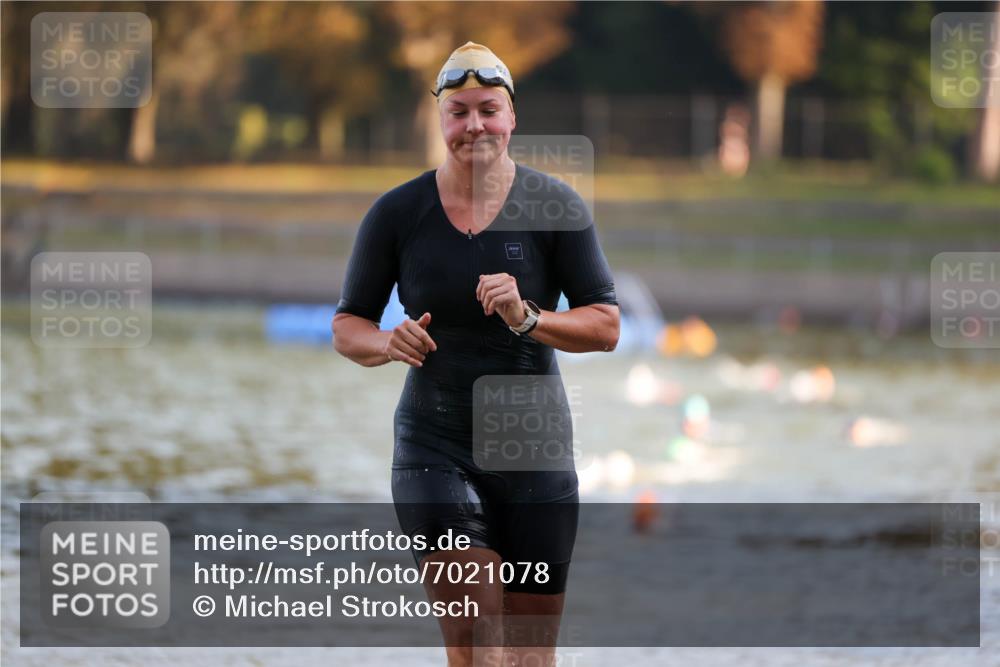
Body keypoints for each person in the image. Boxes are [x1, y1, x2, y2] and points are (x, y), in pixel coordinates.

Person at [332, 41, 620, 667]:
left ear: (511, 118)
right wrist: (387, 342)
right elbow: (346, 325)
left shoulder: (556, 207)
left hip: (534, 449)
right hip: (435, 448)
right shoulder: (397, 213)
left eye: (487, 109)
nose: (474, 126)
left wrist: (530, 317)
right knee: (477, 637)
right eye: (458, 112)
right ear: (441, 121)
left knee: (529, 653)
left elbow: (605, 326)